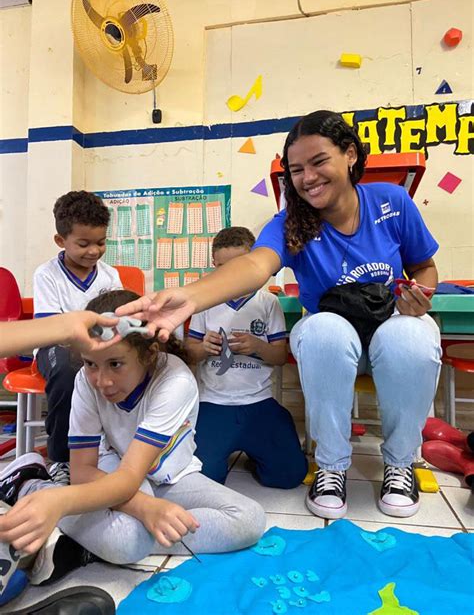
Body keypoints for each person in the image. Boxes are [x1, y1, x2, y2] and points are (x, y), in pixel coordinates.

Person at [116, 110, 442, 520]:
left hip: (388, 334)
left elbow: (424, 265)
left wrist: (420, 294)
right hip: (336, 344)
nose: (308, 177)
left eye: (319, 161)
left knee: (412, 335)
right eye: (297, 169)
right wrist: (190, 298)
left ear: (351, 155)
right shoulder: (292, 222)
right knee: (323, 329)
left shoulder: (391, 203)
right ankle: (331, 465)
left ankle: (399, 463)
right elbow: (255, 266)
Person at [0, 290, 266, 588]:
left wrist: (150, 510)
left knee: (249, 519)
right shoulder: (84, 383)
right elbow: (83, 471)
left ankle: (95, 541)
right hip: (110, 470)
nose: (102, 381)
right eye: (90, 364)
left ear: (150, 353)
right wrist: (143, 508)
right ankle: (29, 483)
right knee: (128, 539)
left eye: (115, 364)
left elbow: (132, 478)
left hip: (169, 477)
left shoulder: (174, 381)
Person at [186, 227, 307, 488]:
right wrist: (203, 347)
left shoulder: (267, 302)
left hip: (259, 402)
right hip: (213, 403)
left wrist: (256, 346)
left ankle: (256, 454)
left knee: (288, 476)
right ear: (213, 264)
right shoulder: (203, 302)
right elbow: (189, 353)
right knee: (204, 479)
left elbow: (279, 356)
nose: (230, 276)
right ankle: (231, 449)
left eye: (238, 267)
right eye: (222, 268)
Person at [34, 190, 121, 482]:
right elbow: (52, 329)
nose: (94, 251)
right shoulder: (47, 275)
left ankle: (119, 447)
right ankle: (60, 457)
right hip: (57, 347)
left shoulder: (109, 276)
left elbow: (117, 317)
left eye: (101, 242)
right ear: (61, 241)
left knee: (132, 365)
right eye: (83, 244)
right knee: (70, 371)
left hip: (100, 346)